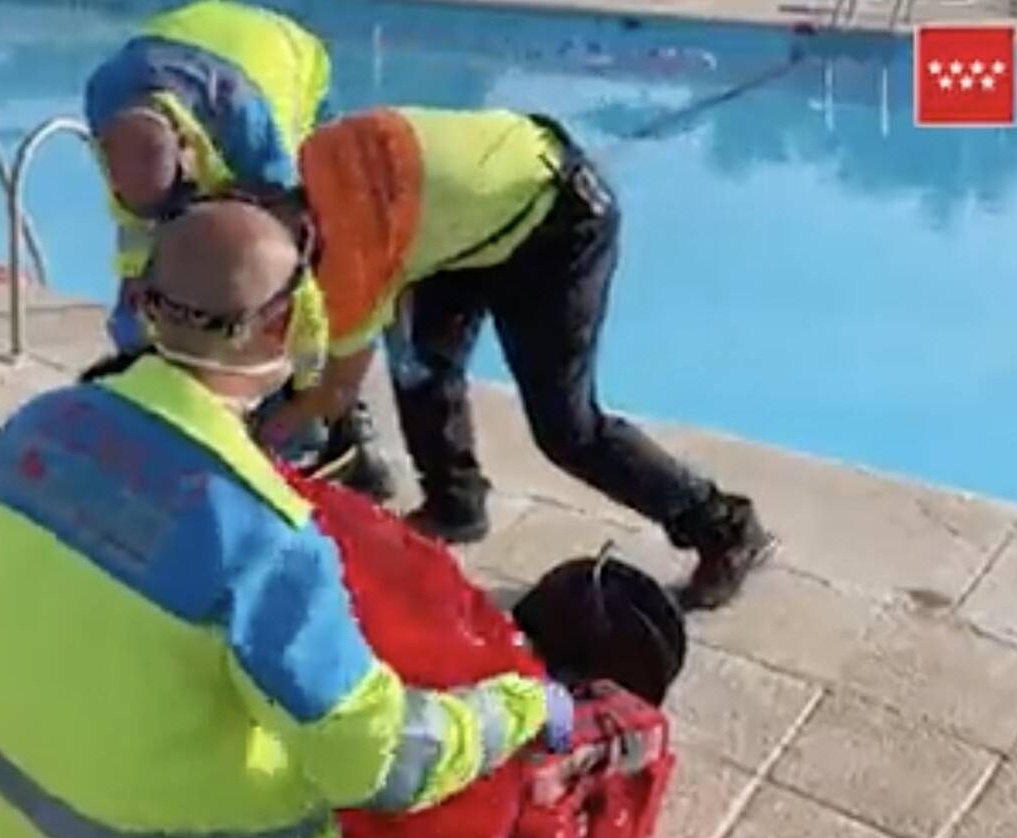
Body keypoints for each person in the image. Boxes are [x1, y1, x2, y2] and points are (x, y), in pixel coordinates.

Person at [0, 200, 573, 838]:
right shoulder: (263, 537)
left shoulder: (34, 430)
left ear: (142, 302)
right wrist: (523, 706)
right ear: (286, 323)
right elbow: (379, 761)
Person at [259, 106, 773, 610]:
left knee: (567, 430)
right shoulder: (314, 158)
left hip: (557, 221)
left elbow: (335, 392)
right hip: (461, 220)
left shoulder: (352, 264)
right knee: (420, 364)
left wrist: (264, 439)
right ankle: (455, 503)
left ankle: (725, 527)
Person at [82, 0, 393, 499]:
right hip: (187, 44)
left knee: (295, 257)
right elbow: (139, 240)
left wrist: (310, 384)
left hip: (284, 61)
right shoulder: (106, 102)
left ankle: (345, 427)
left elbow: (296, 261)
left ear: (186, 147)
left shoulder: (249, 127)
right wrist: (136, 342)